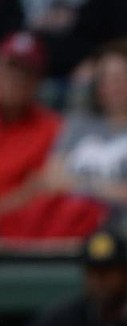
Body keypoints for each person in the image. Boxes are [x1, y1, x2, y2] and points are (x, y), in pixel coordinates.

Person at [3, 42, 127, 240]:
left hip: (113, 223)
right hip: (57, 216)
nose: (115, 86)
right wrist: (109, 188)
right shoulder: (78, 123)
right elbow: (50, 179)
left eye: (123, 78)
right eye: (107, 79)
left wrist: (81, 185)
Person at [0, 31, 62, 237]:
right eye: (11, 69)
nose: (16, 79)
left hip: (25, 240)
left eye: (26, 72)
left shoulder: (54, 128)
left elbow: (42, 188)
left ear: (38, 81)